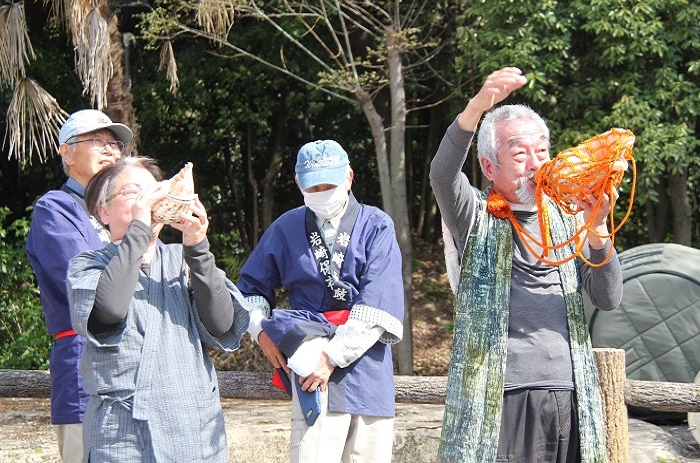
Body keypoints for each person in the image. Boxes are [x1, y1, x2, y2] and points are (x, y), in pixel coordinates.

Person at [429, 67, 624, 463]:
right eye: (519, 154)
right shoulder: (476, 216)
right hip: (501, 394)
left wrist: (599, 227)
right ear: (489, 167)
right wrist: (477, 107)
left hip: (571, 390)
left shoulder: (571, 217)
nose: (535, 164)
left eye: (542, 151)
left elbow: (608, 297)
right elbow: (442, 173)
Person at [66, 156, 250, 462]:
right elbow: (108, 311)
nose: (145, 201)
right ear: (103, 211)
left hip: (195, 432)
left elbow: (221, 322)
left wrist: (197, 245)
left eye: (153, 192)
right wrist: (139, 232)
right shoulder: (87, 264)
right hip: (122, 436)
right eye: (132, 193)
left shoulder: (185, 259)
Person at [237, 140, 405, 463]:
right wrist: (260, 332)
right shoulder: (285, 228)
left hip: (366, 364)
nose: (323, 192)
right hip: (308, 363)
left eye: (330, 184)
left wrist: (332, 357)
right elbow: (250, 288)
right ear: (299, 184)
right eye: (314, 187)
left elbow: (378, 302)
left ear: (350, 177)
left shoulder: (377, 226)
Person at [25, 109, 134, 463]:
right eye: (96, 141)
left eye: (114, 143)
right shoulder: (55, 209)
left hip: (138, 362)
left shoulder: (127, 213)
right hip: (83, 361)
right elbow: (86, 283)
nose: (110, 150)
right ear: (67, 152)